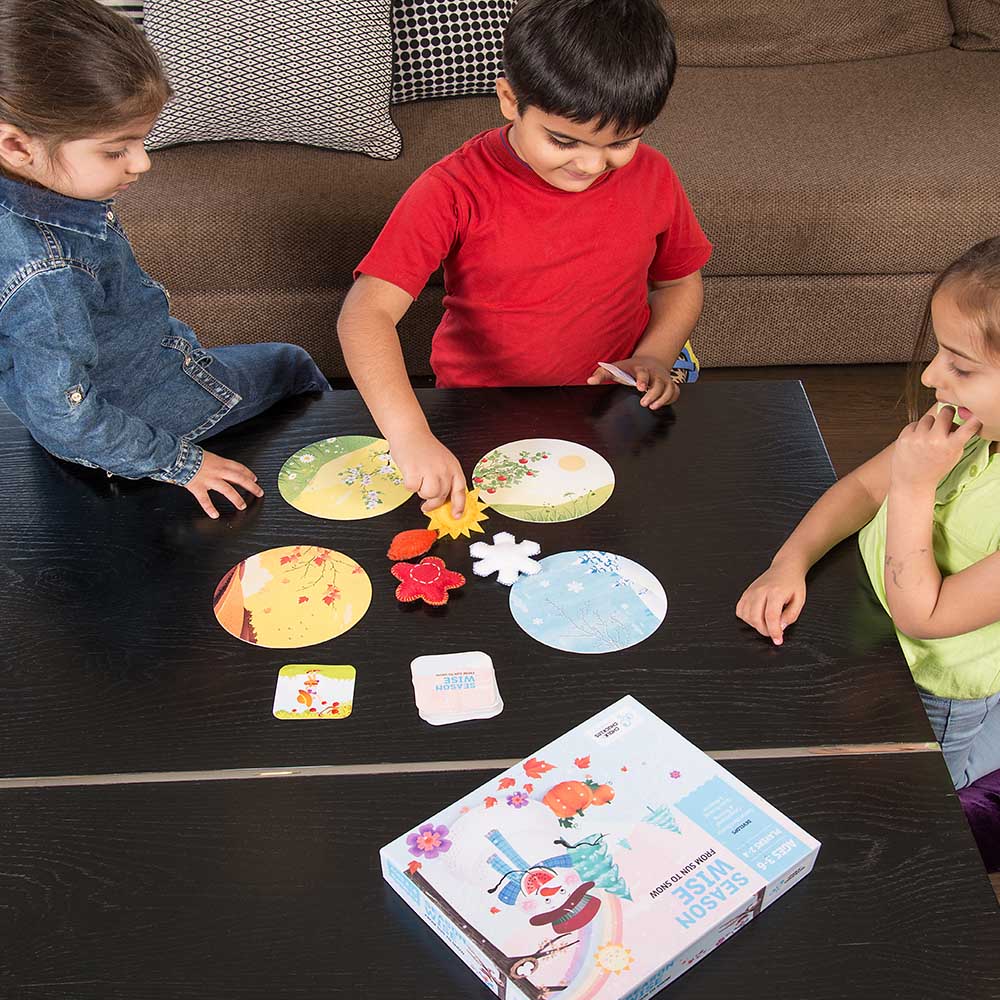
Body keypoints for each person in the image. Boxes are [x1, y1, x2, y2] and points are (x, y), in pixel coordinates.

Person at [337, 0, 712, 515]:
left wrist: (655, 355)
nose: (591, 165)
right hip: (483, 409)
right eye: (563, 141)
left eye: (621, 143)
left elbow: (679, 282)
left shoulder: (654, 174)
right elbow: (365, 315)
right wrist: (409, 434)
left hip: (610, 404)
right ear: (510, 100)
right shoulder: (451, 189)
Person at [0, 0, 329, 518]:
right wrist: (183, 463)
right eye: (117, 150)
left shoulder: (28, 197)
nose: (143, 162)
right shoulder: (47, 272)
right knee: (293, 362)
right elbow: (65, 415)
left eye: (142, 141)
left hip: (119, 379)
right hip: (158, 409)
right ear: (17, 146)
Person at [737, 237, 1000, 789]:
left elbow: (924, 617)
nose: (931, 377)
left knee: (925, 788)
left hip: (933, 683)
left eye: (960, 366)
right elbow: (861, 488)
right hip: (865, 615)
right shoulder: (966, 423)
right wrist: (789, 563)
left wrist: (913, 486)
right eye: (939, 352)